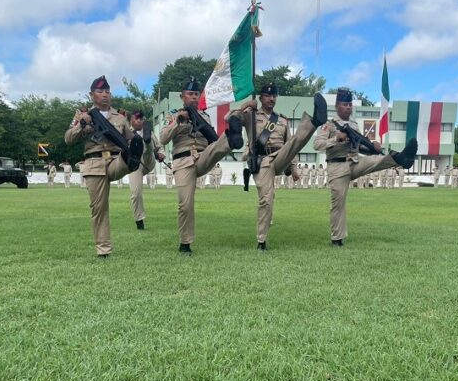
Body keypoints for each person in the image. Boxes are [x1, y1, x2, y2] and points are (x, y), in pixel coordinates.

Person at [64, 75, 154, 258]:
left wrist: (137, 142)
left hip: (115, 160)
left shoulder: (120, 117)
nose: (104, 94)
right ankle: (103, 249)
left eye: (107, 91)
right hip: (93, 163)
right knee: (99, 208)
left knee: (129, 153)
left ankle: (131, 159)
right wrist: (82, 124)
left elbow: (130, 137)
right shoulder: (82, 115)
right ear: (92, 95)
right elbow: (68, 138)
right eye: (100, 91)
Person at [313, 88, 417, 246]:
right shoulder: (329, 125)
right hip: (337, 167)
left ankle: (400, 158)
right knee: (338, 203)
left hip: (355, 162)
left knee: (375, 159)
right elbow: (317, 144)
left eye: (350, 104)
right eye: (345, 104)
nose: (348, 107)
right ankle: (337, 239)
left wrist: (372, 147)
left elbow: (359, 147)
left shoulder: (354, 124)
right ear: (337, 106)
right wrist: (336, 139)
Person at [158, 76, 244, 255]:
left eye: (196, 94)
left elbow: (210, 139)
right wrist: (177, 122)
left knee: (216, 145)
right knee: (185, 204)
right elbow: (163, 138)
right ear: (182, 97)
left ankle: (231, 138)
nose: (194, 97)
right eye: (190, 94)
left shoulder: (205, 116)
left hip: (203, 156)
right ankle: (185, 242)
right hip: (183, 162)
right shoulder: (173, 114)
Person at [238, 83, 328, 250]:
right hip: (261, 161)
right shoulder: (250, 116)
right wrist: (245, 106)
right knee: (266, 200)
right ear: (260, 98)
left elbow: (290, 145)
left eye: (274, 96)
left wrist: (293, 168)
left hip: (280, 157)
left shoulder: (282, 120)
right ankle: (261, 241)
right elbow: (230, 119)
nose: (271, 99)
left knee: (293, 141)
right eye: (267, 95)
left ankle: (314, 121)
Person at [128, 110, 164, 230]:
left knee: (148, 148)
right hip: (135, 165)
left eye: (141, 119)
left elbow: (159, 147)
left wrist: (161, 154)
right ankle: (139, 219)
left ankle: (147, 142)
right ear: (131, 120)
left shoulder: (149, 131)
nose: (139, 120)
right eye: (137, 118)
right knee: (135, 193)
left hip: (148, 161)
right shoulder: (126, 131)